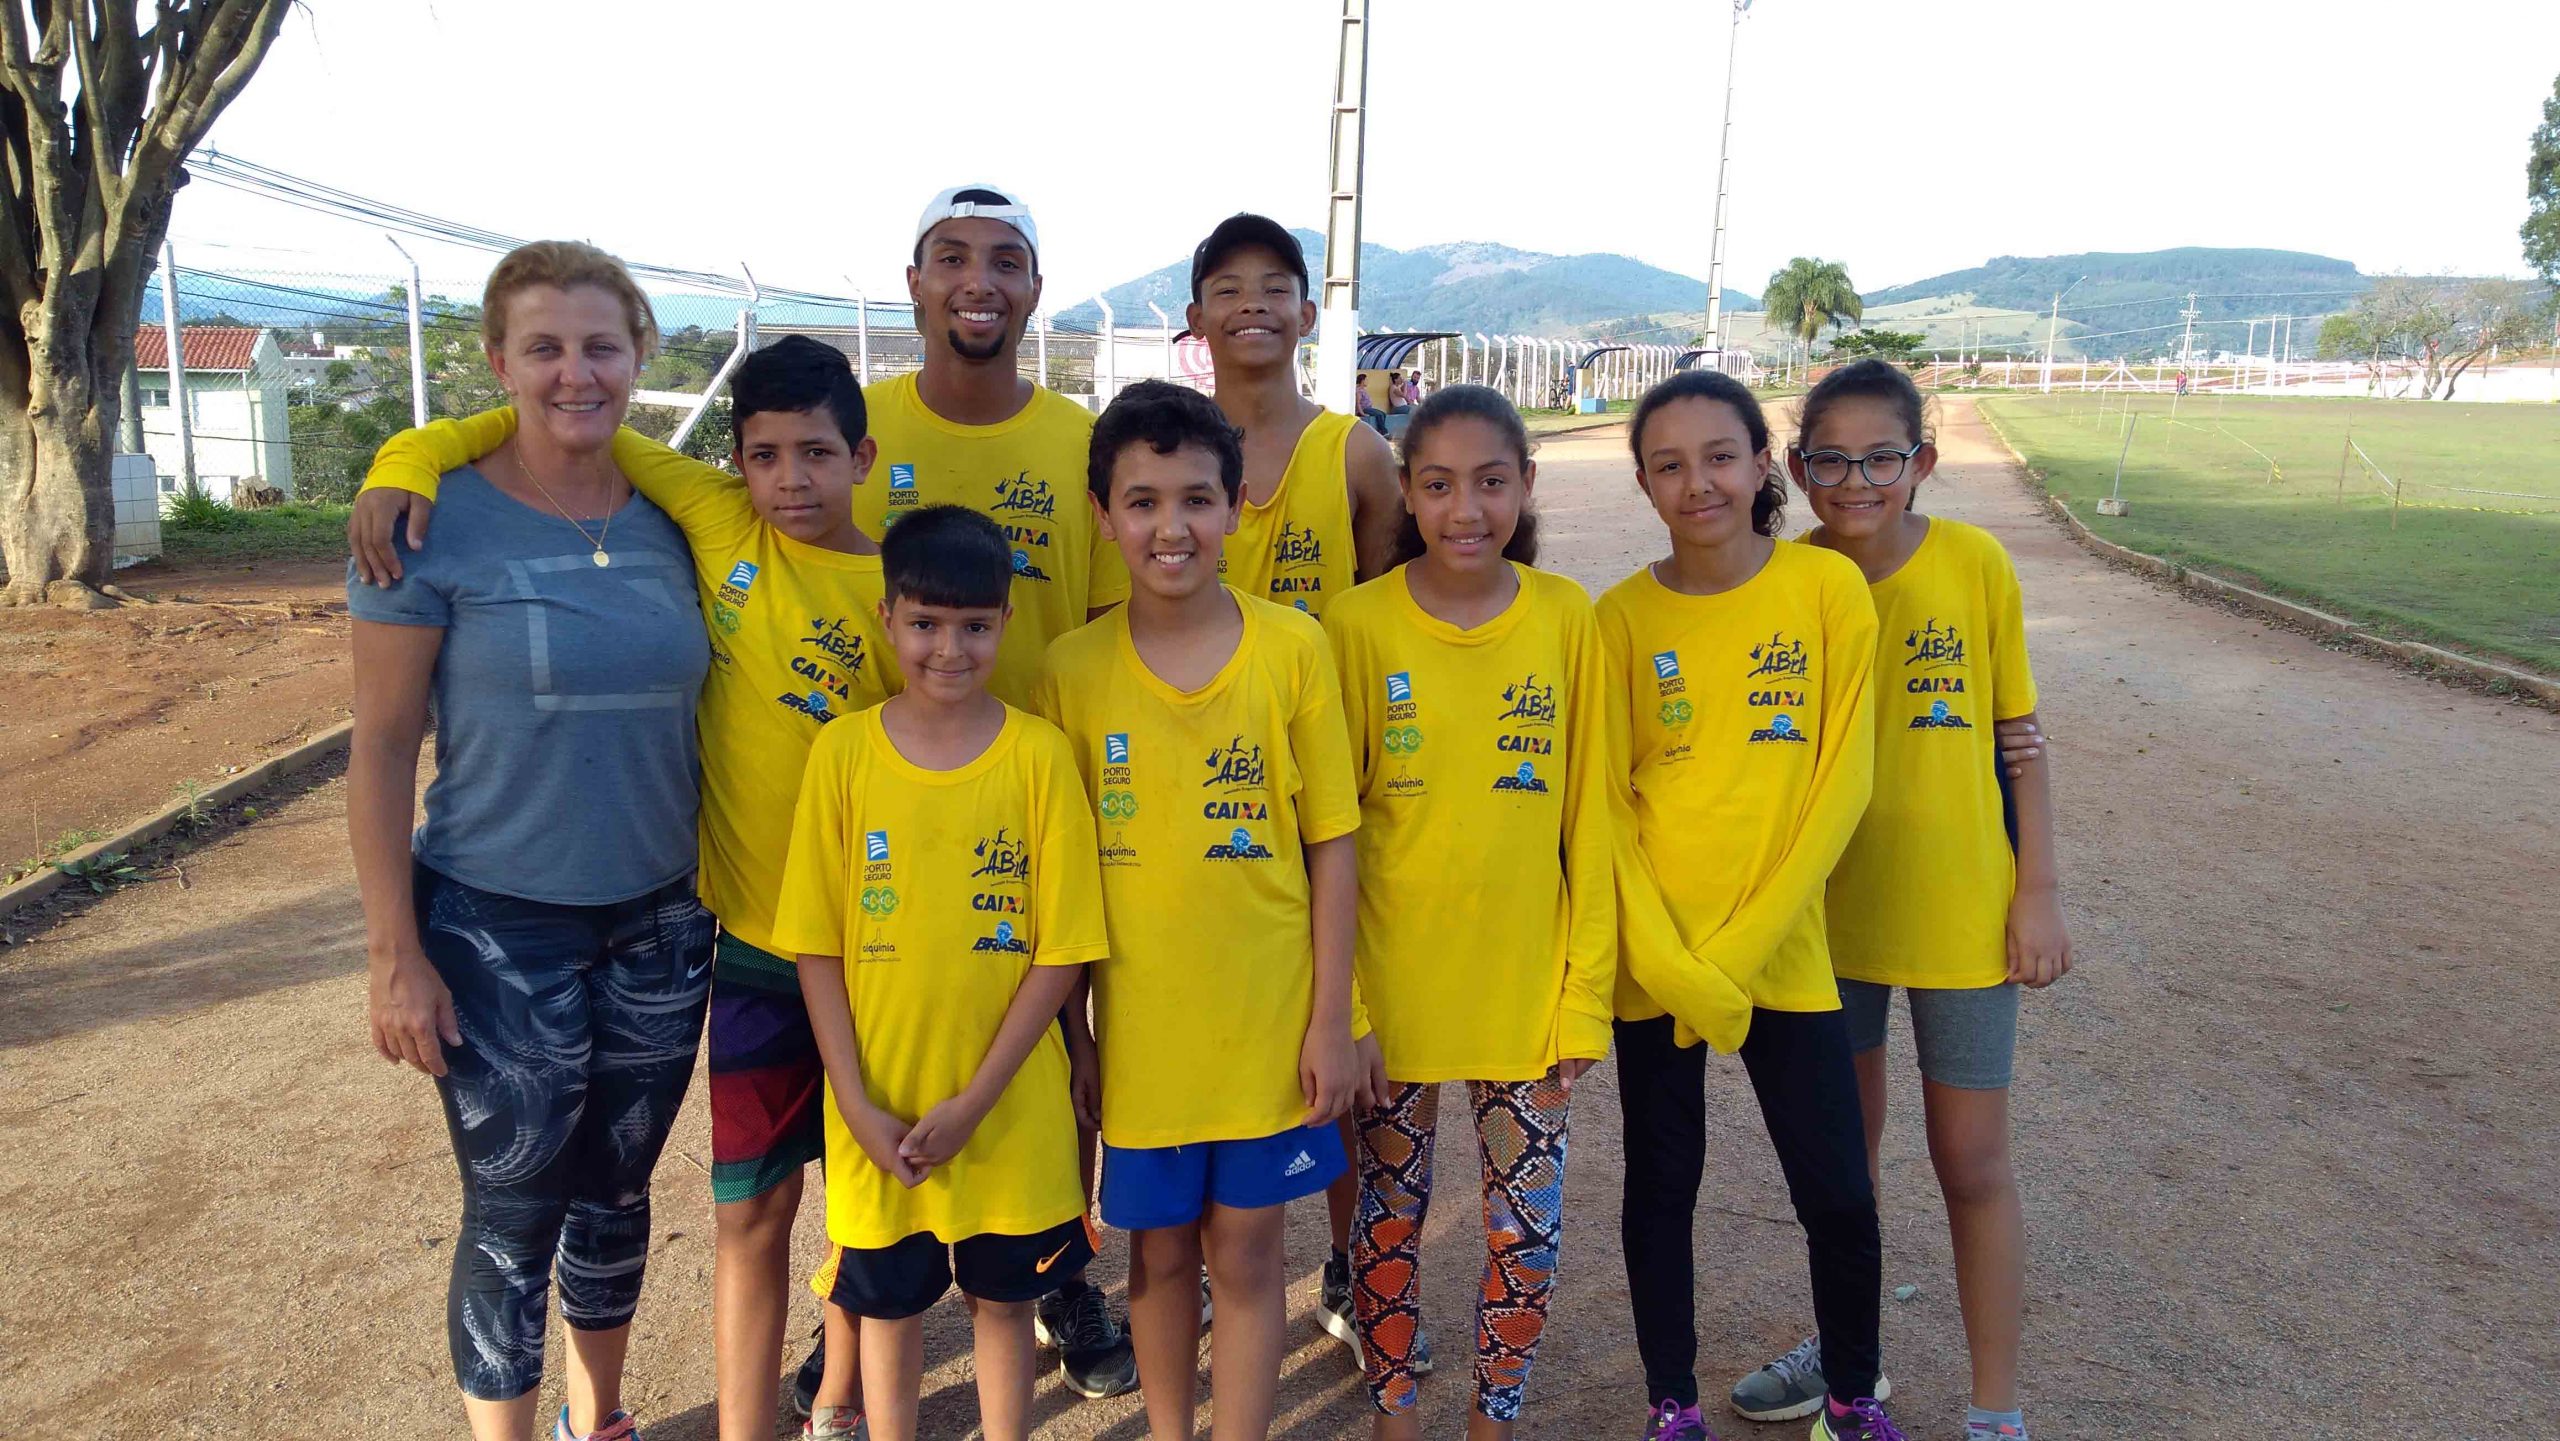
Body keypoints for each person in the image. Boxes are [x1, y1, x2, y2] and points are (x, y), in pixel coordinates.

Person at [351, 335, 901, 1440]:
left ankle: (827, 1397)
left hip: (858, 951)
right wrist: (411, 453)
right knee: (699, 1203)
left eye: (816, 455)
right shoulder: (716, 518)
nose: (790, 479)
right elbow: (570, 416)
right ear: (737, 463)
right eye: (766, 455)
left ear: (865, 457)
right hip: (740, 938)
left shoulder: (904, 598)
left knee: (851, 1200)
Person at [347, 240, 715, 1441]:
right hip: (495, 923)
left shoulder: (681, 516)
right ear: (497, 360)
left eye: (602, 346)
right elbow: (385, 749)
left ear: (640, 357)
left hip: (663, 915)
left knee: (616, 1194)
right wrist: (394, 952)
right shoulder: (429, 521)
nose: (576, 373)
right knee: (512, 1211)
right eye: (545, 347)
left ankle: (595, 1418)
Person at [1031, 380, 1371, 1441]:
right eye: (1141, 501)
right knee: (1159, 1253)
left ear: (1234, 510)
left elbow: (1333, 843)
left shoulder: (1291, 648)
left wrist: (1330, 1017)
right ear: (1102, 514)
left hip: (1268, 1025)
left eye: (1195, 499)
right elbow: (1063, 878)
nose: (1169, 527)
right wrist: (1077, 1033)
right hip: (1140, 1038)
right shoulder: (1069, 672)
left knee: (1251, 1252)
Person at [1767, 359, 2071, 1441]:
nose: (1857, 481)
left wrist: (2035, 889)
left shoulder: (1974, 565)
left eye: (1882, 457)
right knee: (1841, 1168)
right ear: (1798, 468)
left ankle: (1996, 1407)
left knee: (1971, 1161)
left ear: (1921, 463)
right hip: (1828, 920)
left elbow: (2019, 743)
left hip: (1961, 912)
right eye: (1832, 459)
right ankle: (1851, 1357)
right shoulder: (1789, 580)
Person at [1599, 369, 1903, 1441]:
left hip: (1780, 952)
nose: (1698, 484)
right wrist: (1673, 962)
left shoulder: (1825, 595)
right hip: (1661, 965)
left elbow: (1841, 786)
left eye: (1719, 457)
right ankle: (1670, 1403)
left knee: (1835, 1192)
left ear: (1760, 463)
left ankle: (1854, 1398)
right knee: (1660, 1187)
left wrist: (1736, 952)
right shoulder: (1618, 619)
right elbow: (1605, 812)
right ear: (1642, 481)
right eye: (1670, 465)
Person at [772, 503, 1108, 1441]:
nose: (947, 649)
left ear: (1005, 621)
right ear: (888, 620)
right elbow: (816, 946)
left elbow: (1062, 950)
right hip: (877, 1110)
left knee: (1002, 1306)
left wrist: (975, 1100)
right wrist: (853, 1100)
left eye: (973, 625)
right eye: (923, 623)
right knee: (889, 1309)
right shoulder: (843, 754)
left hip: (1010, 1113)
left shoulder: (1041, 756)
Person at [1319, 384, 1614, 1440]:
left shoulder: (1566, 618)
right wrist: (1344, 1002)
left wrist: (1581, 1003)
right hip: (1392, 995)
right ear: (1405, 492)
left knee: (1524, 1230)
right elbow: (1330, 835)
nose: (1465, 510)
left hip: (1526, 994)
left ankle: (1496, 1417)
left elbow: (1594, 825)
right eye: (1438, 485)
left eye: (1491, 482)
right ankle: (1395, 1408)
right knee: (1387, 1220)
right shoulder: (1354, 627)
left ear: (1526, 485)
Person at [1185, 215, 1413, 1367]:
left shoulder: (1356, 457)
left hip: (1326, 795)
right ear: (1196, 323)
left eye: (1276, 287)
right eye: (1227, 289)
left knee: (1350, 1055)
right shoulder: (1171, 451)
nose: (1253, 307)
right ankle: (1158, 1269)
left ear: (1309, 314)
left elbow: (1381, 613)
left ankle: (1356, 1271)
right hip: (1195, 802)